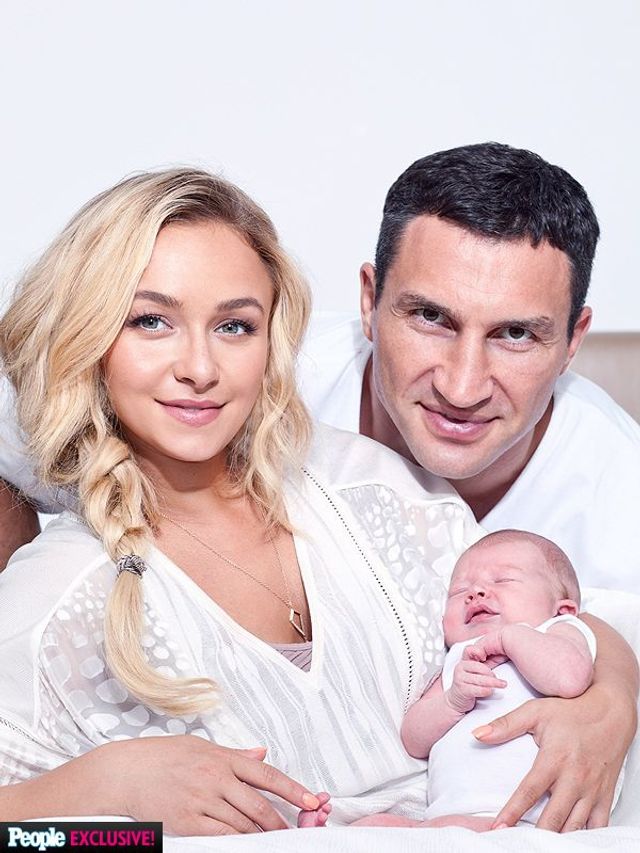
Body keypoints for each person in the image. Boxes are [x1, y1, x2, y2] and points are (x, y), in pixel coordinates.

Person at [0, 166, 637, 835]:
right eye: (150, 320)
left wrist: (614, 691)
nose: (201, 368)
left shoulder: (385, 488)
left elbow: (564, 614)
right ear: (86, 337)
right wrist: (111, 792)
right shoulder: (55, 596)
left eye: (235, 326)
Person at [299, 142, 640, 593]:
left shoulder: (625, 504)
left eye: (515, 334)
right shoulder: (271, 386)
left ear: (572, 341)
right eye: (430, 317)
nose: (461, 390)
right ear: (369, 302)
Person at [299, 529, 598, 830]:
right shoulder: (458, 658)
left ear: (562, 608)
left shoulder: (558, 630)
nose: (476, 592)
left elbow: (570, 678)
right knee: (376, 826)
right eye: (459, 591)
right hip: (451, 815)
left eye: (503, 580)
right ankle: (321, 840)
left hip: (528, 816)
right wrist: (453, 701)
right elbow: (413, 740)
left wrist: (510, 638)